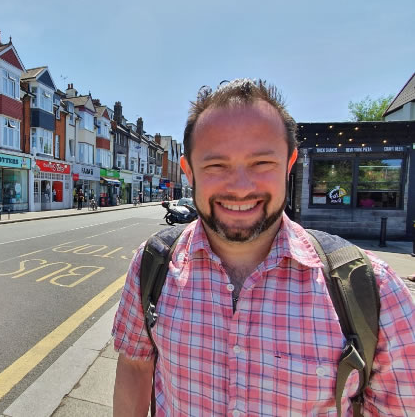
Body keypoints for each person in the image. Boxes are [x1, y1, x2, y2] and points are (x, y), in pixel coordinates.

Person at [112, 79, 415, 416]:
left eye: (261, 163)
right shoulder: (151, 265)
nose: (240, 188)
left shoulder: (374, 290)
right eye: (216, 165)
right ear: (189, 173)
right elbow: (135, 367)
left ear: (288, 164)